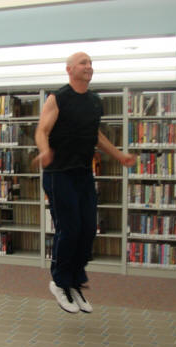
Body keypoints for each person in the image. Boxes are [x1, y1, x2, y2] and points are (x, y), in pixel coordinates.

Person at [34, 51, 136, 314]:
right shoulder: (58, 98)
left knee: (88, 229)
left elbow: (96, 135)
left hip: (83, 173)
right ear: (69, 69)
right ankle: (59, 283)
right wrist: (44, 150)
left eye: (90, 63)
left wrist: (119, 156)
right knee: (68, 229)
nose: (89, 66)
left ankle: (74, 281)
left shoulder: (94, 101)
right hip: (59, 173)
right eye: (83, 63)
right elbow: (42, 130)